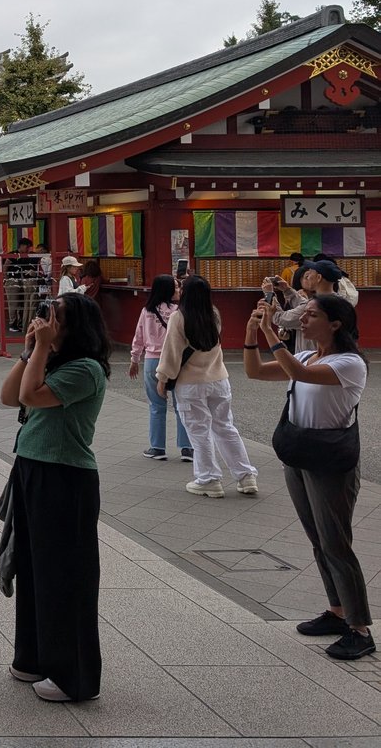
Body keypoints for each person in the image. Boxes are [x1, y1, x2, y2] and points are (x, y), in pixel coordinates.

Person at [244, 293, 373, 660]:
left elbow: (299, 375)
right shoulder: (302, 354)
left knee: (336, 543)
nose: (303, 319)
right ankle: (337, 611)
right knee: (318, 539)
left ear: (335, 324)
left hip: (331, 463)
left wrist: (271, 332)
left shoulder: (350, 364)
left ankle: (360, 629)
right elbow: (254, 371)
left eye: (312, 314)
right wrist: (252, 334)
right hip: (299, 455)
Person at [0, 291, 108, 702]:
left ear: (75, 326)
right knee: (32, 569)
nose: (46, 321)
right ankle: (33, 656)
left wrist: (41, 347)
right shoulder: (52, 360)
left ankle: (72, 675)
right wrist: (31, 350)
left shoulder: (86, 369)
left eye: (55, 317)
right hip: (32, 469)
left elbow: (31, 398)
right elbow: (10, 396)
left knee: (65, 577)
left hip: (66, 477)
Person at [156, 276, 258, 498]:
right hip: (219, 379)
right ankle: (245, 476)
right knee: (226, 427)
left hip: (191, 384)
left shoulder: (178, 317)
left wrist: (162, 378)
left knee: (199, 431)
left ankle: (209, 479)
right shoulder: (214, 314)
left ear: (185, 292)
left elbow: (172, 352)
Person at [128, 275, 192, 462]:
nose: (178, 290)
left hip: (152, 361)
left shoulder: (147, 311)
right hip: (176, 361)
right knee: (181, 405)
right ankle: (187, 448)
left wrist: (134, 359)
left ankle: (157, 448)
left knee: (156, 406)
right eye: (175, 287)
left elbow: (138, 336)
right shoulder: (180, 311)